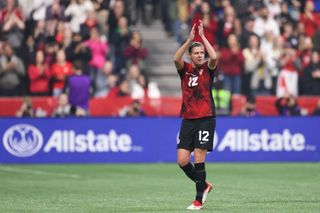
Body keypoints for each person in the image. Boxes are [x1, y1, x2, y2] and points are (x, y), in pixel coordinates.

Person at [173, 20, 217, 210]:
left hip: (206, 118)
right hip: (188, 120)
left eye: (201, 53)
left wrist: (204, 38)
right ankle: (204, 185)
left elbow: (214, 56)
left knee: (199, 156)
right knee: (182, 161)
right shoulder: (186, 70)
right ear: (190, 56)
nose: (200, 55)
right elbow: (176, 59)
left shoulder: (208, 69)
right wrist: (189, 40)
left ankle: (198, 200)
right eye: (196, 53)